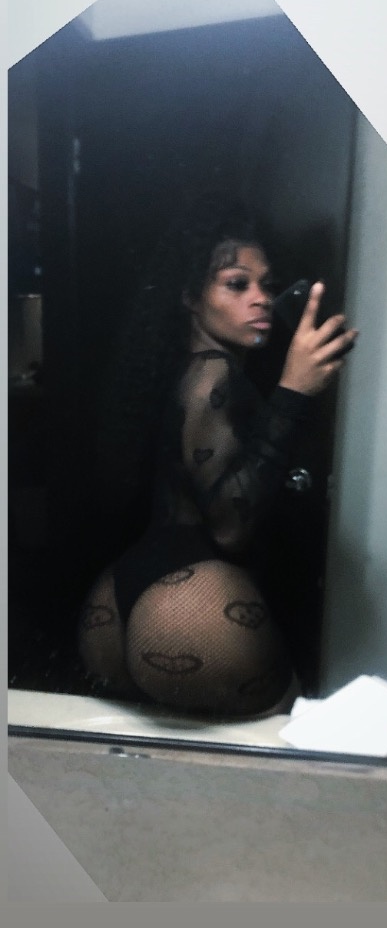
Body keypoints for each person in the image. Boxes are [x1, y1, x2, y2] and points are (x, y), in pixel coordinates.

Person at [77, 195, 358, 719]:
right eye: (236, 284)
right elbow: (231, 527)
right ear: (191, 296)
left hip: (116, 601)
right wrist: (293, 392)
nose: (261, 300)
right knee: (279, 753)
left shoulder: (180, 370)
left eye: (267, 285)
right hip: (194, 605)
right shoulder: (213, 374)